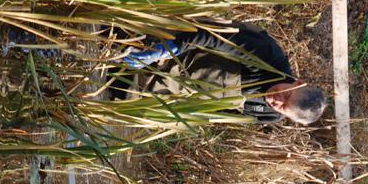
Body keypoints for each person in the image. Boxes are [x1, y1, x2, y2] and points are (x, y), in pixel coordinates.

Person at [113, 22, 328, 125]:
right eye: (286, 95)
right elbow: (214, 36)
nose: (276, 101)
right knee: (118, 41)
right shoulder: (269, 57)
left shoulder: (270, 115)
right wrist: (165, 49)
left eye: (283, 108)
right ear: (297, 82)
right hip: (184, 49)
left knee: (119, 95)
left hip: (179, 90)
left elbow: (223, 114)